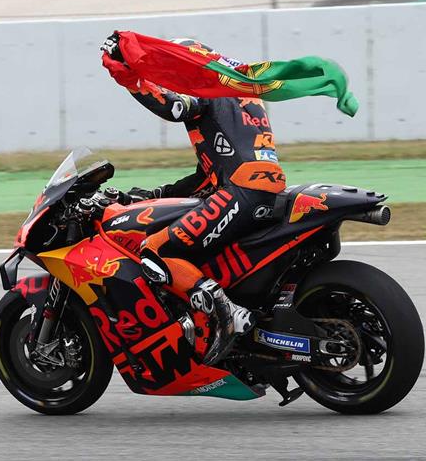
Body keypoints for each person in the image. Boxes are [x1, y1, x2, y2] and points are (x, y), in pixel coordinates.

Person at [100, 33, 287, 365]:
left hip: (241, 192)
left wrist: (130, 80)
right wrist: (153, 195)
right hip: (264, 189)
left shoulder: (206, 83)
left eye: (171, 66)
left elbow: (172, 108)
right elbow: (207, 176)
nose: (170, 76)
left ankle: (227, 316)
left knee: (155, 250)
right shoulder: (240, 89)